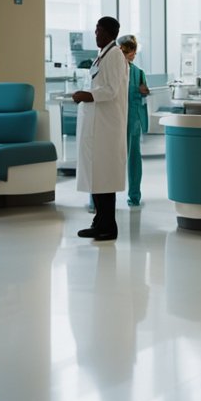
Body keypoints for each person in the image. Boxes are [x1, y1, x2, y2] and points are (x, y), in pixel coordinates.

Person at [72, 17, 129, 242]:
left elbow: (111, 90)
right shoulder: (103, 54)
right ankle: (99, 222)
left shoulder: (114, 55)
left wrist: (87, 95)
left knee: (104, 176)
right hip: (97, 126)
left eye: (97, 30)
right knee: (97, 176)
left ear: (107, 32)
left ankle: (108, 226)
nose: (95, 34)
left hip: (107, 127)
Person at [118, 35, 149, 207]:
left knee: (134, 159)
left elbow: (143, 97)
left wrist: (144, 92)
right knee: (108, 158)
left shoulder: (138, 73)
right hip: (114, 119)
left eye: (132, 52)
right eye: (126, 51)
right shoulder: (113, 69)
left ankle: (134, 196)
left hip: (132, 120)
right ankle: (99, 199)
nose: (130, 55)